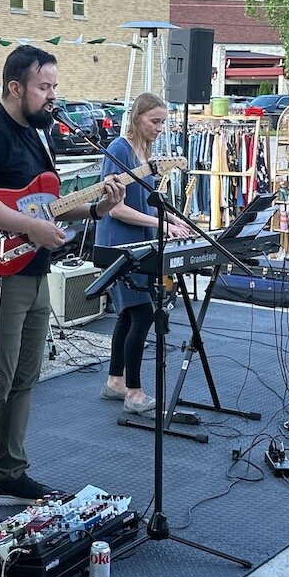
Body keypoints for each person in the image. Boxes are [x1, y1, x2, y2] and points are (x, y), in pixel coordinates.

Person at [0, 45, 122, 534]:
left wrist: (97, 209)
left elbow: (46, 209)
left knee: (26, 373)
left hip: (31, 269)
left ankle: (8, 472)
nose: (52, 96)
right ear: (14, 87)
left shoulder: (37, 136)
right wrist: (30, 226)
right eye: (44, 87)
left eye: (55, 87)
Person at [95, 92, 188, 417]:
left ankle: (115, 381)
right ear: (137, 118)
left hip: (139, 242)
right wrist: (162, 225)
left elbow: (149, 201)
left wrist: (174, 219)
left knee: (128, 314)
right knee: (142, 314)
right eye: (154, 121)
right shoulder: (118, 150)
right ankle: (133, 393)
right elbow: (116, 209)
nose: (160, 127)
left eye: (163, 121)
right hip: (119, 243)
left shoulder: (144, 151)